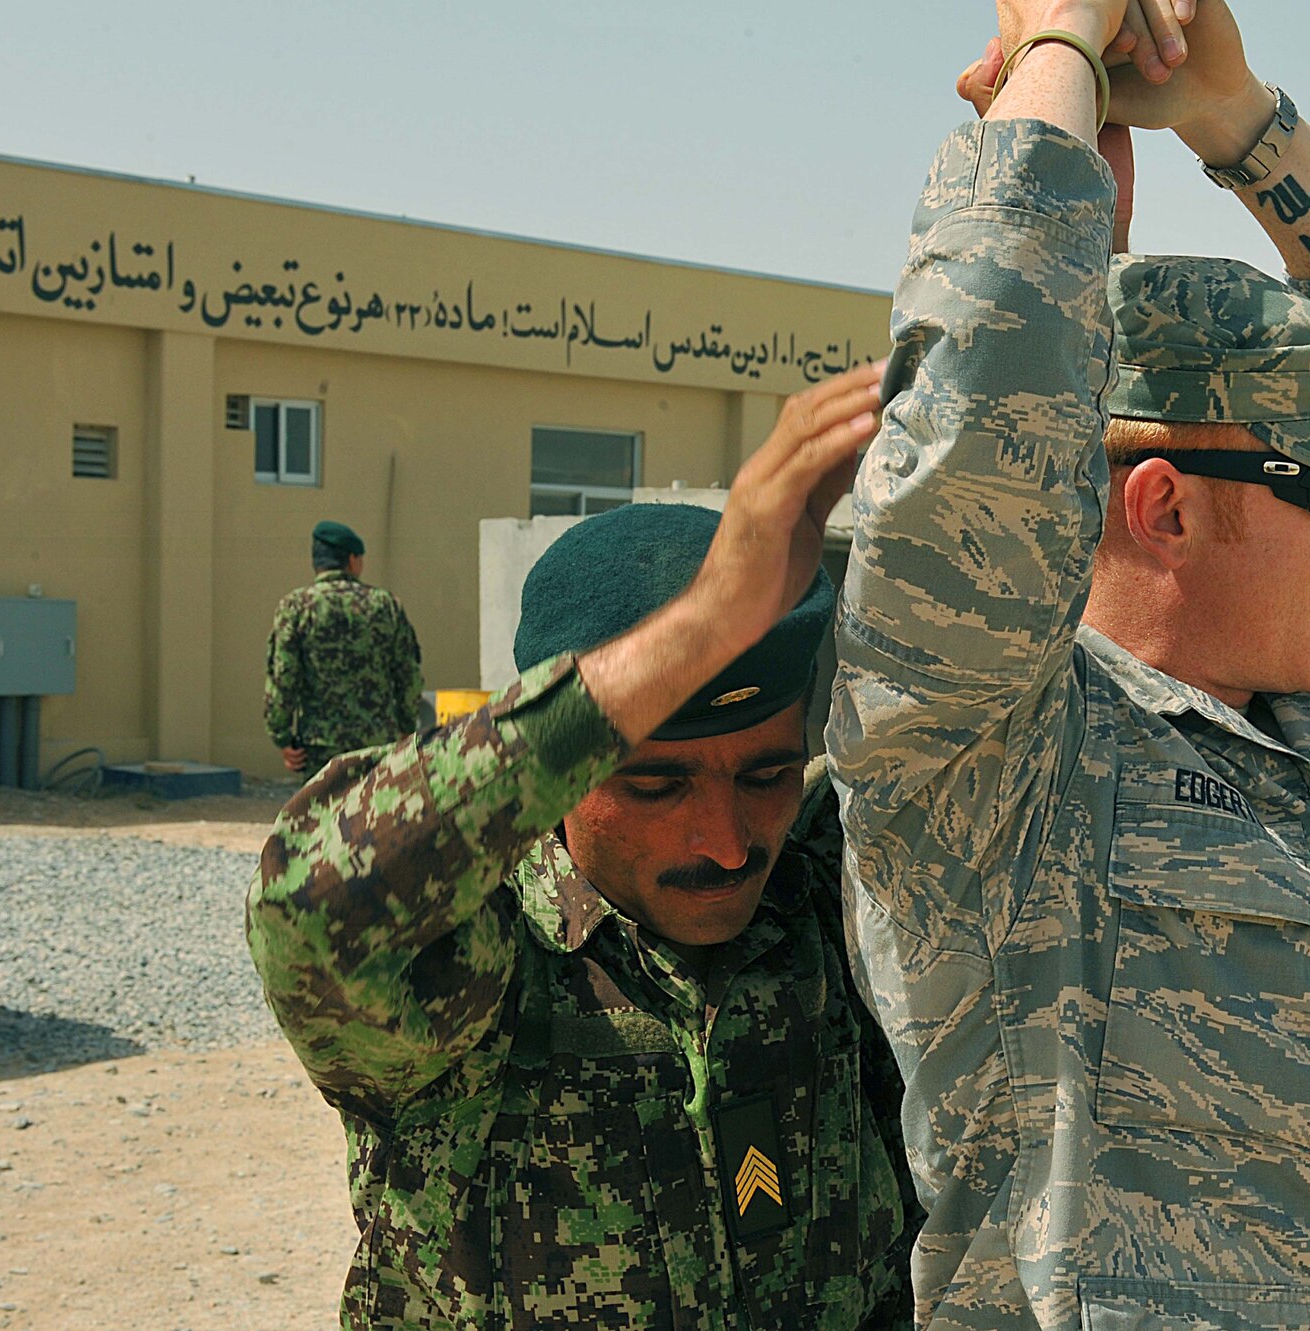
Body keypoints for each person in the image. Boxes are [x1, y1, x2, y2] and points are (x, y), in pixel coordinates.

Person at [828, 1, 1310, 1327]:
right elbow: (988, 393)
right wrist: (1062, 50)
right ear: (1165, 507)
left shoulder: (1303, 696)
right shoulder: (990, 746)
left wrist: (1231, 115)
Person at [247, 363, 920, 1331]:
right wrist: (703, 624)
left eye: (764, 776)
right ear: (564, 768)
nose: (727, 844)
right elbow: (311, 902)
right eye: (655, 784)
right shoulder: (478, 955)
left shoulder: (821, 885)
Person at [263, 520, 423, 780]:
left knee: (322, 817)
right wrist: (406, 726)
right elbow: (408, 675)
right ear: (351, 559)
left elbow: (283, 676)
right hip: (376, 743)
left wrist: (282, 736)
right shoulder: (385, 605)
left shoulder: (296, 607)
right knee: (373, 817)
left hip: (320, 745)